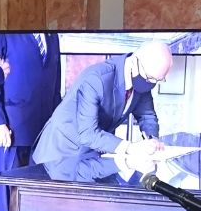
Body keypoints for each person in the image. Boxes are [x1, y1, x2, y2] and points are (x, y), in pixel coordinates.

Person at [31, 41, 172, 183]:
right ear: (134, 62)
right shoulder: (96, 79)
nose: (151, 83)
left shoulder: (143, 79)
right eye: (150, 78)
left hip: (93, 154)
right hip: (62, 154)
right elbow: (88, 134)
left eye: (158, 80)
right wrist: (131, 148)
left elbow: (147, 115)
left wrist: (152, 140)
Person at [0, 32, 61, 211]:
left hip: (42, 134)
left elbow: (55, 87)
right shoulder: (3, 33)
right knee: (2, 202)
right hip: (8, 132)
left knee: (33, 202)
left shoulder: (52, 36)